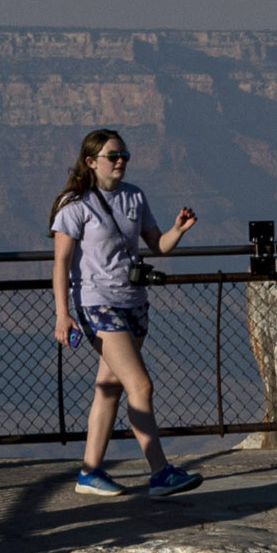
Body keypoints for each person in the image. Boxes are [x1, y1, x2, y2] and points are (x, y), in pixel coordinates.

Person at [52, 126, 202, 497]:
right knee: (141, 385)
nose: (120, 162)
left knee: (110, 390)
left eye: (124, 156)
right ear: (91, 162)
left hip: (134, 302)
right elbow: (61, 263)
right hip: (96, 304)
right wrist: (62, 313)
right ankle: (160, 472)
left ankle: (90, 473)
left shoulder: (135, 197)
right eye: (112, 156)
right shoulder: (75, 205)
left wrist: (178, 230)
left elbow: (158, 246)